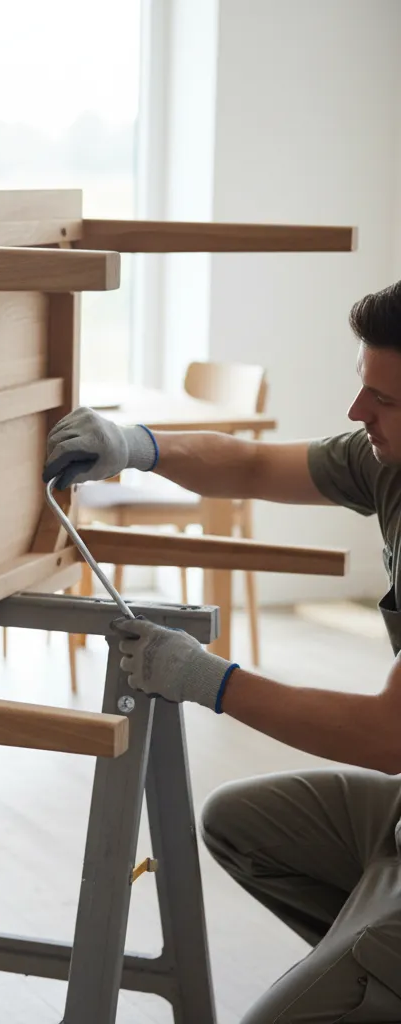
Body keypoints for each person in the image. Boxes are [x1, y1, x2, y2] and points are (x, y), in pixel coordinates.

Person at [43, 279, 401, 1023]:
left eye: (386, 402)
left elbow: (386, 735)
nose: (357, 413)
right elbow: (249, 466)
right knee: (244, 824)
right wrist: (137, 446)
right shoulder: (387, 461)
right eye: (364, 387)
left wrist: (207, 678)